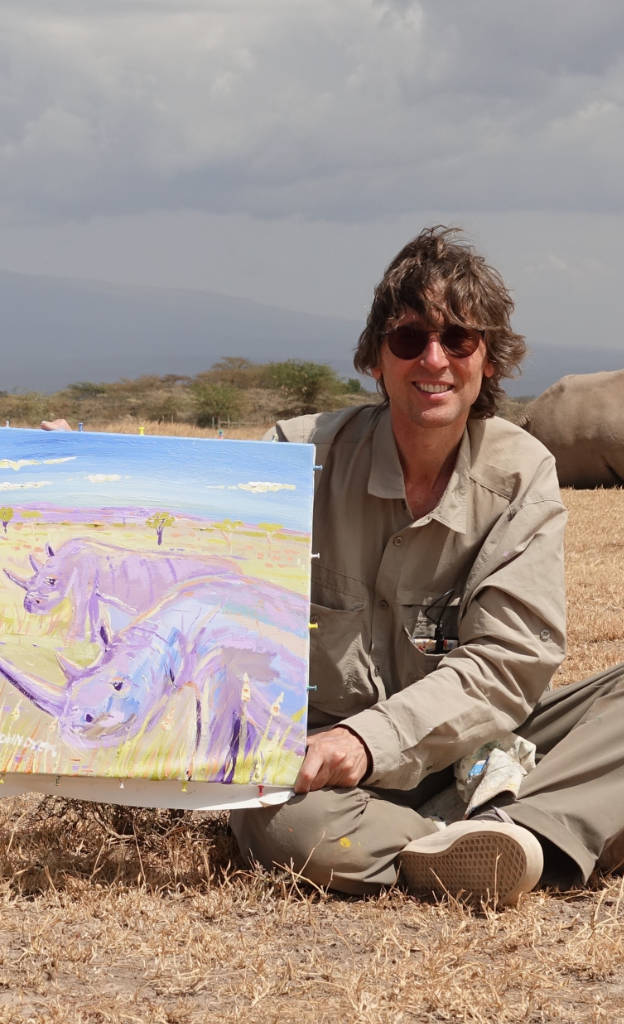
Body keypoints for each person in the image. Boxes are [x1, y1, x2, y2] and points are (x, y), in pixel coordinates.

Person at [228, 225, 624, 904]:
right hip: (321, 771)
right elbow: (183, 555)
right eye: (408, 339)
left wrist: (372, 737)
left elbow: (507, 664)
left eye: (458, 339)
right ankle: (506, 832)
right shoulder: (293, 461)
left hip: (470, 741)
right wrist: (79, 489)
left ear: (489, 361)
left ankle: (496, 830)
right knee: (294, 833)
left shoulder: (521, 474)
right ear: (375, 359)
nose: (432, 359)